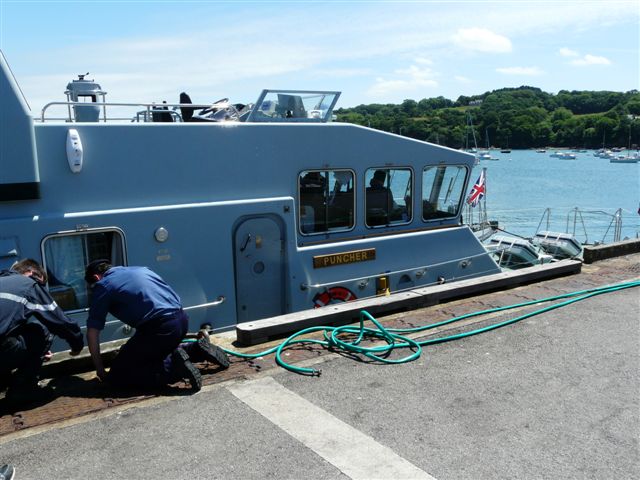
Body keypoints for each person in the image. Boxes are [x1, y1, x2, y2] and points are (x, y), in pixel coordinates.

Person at [84, 260, 229, 392]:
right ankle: (196, 350)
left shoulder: (103, 285)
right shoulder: (141, 269)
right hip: (181, 320)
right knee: (153, 351)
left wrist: (100, 369)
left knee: (118, 375)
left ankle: (173, 368)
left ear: (96, 278)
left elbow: (92, 333)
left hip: (158, 329)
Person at [0, 259, 83, 403]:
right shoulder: (28, 284)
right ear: (32, 273)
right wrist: (77, 345)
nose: (42, 289)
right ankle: (23, 390)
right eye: (42, 284)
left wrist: (37, 351)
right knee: (42, 329)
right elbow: (60, 322)